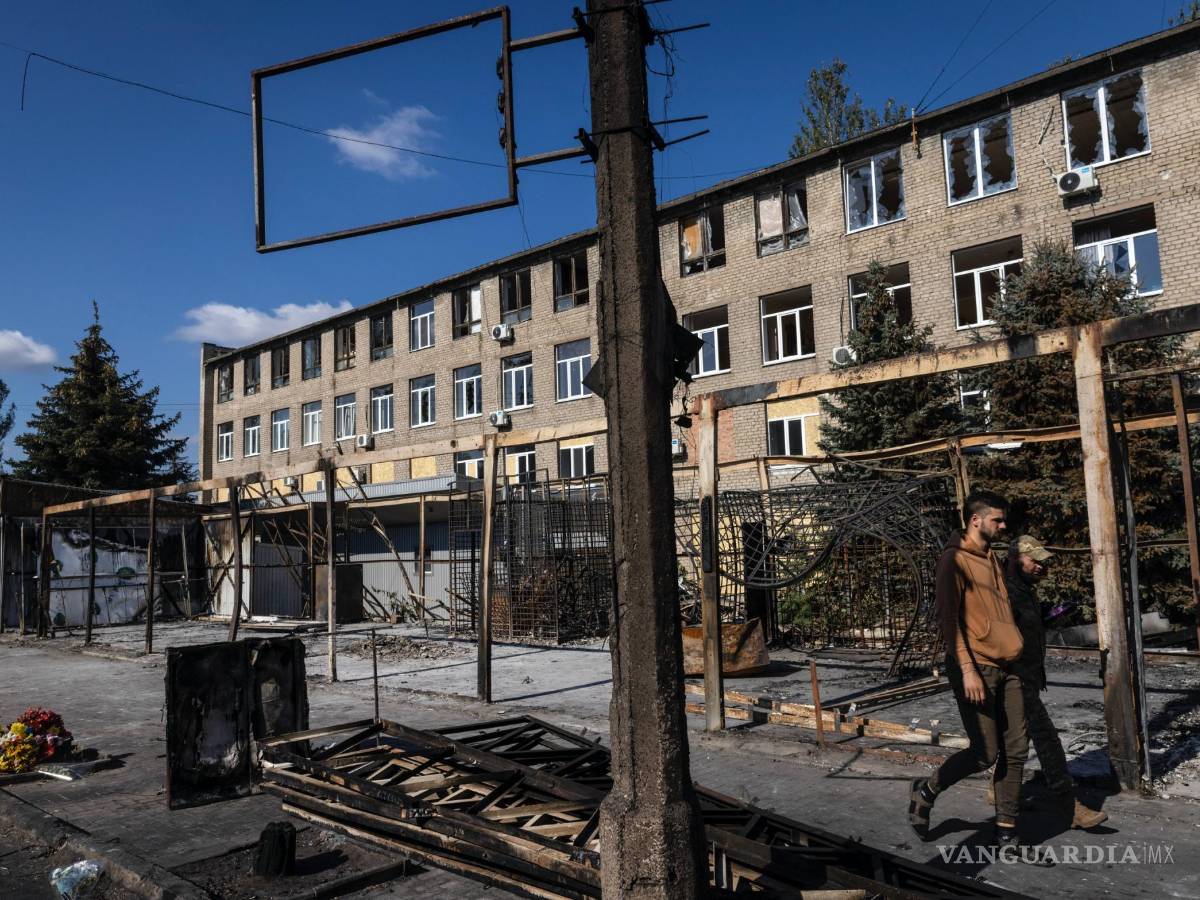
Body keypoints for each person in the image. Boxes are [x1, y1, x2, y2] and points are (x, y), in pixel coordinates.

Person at [908, 490, 1043, 856]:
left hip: (1008, 665)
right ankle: (927, 790)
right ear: (976, 520)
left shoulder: (992, 558)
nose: (1004, 526)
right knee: (985, 753)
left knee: (1016, 749)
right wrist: (967, 669)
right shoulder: (953, 560)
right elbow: (948, 621)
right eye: (997, 520)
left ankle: (1007, 832)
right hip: (976, 666)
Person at [1002, 534, 1108, 829]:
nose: (1040, 567)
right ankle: (1070, 807)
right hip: (1014, 679)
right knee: (1046, 740)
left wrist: (1054, 613)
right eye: (1034, 561)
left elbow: (1028, 623)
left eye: (1042, 562)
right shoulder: (1004, 591)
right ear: (1015, 559)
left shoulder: (1023, 588)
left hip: (1027, 678)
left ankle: (999, 794)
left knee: (1013, 740)